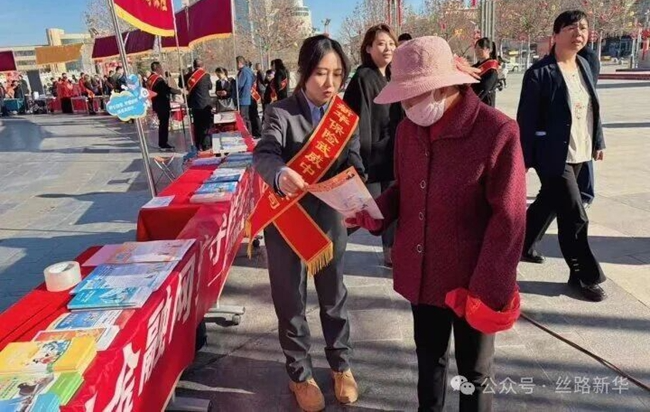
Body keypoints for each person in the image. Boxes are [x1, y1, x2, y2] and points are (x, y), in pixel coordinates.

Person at [346, 36, 526, 412]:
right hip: (423, 274)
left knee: (475, 372)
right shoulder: (409, 131)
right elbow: (404, 189)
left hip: (472, 282)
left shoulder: (496, 131)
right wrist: (374, 212)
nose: (406, 106)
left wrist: (487, 289)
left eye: (412, 97)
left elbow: (508, 219)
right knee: (429, 360)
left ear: (442, 86)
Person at [252, 34, 365, 412]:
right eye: (320, 73)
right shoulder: (280, 112)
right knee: (291, 300)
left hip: (330, 219)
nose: (329, 83)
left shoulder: (344, 118)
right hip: (288, 221)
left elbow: (354, 161)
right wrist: (280, 173)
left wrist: (357, 189)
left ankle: (341, 366)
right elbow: (265, 152)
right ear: (304, 71)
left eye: (337, 74)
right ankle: (299, 374)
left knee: (334, 298)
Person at [517, 10, 607, 302]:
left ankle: (522, 244)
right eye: (570, 28)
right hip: (553, 156)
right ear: (555, 35)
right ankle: (584, 275)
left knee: (548, 202)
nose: (578, 33)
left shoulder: (585, 64)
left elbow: (593, 106)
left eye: (583, 28)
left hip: (581, 150)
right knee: (575, 215)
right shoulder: (539, 73)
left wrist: (598, 140)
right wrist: (523, 160)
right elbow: (526, 121)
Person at [343, 24, 403, 267]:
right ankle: (327, 243)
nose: (387, 48)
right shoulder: (363, 78)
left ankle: (391, 251)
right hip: (371, 159)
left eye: (391, 43)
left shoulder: (392, 76)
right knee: (363, 212)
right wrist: (359, 161)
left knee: (392, 209)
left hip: (392, 155)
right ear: (368, 48)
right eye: (380, 43)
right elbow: (354, 123)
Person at [576, 44, 600, 208]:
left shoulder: (587, 56)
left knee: (584, 153)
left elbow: (590, 87)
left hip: (583, 111)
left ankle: (586, 194)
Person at [149, 61, 181, 150]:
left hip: (157, 104)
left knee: (162, 124)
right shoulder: (158, 79)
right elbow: (166, 89)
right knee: (164, 124)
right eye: (161, 68)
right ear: (157, 68)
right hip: (162, 105)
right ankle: (163, 143)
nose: (162, 69)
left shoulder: (150, 78)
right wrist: (179, 91)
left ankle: (162, 142)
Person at [186, 58, 213, 150]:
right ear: (203, 65)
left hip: (195, 104)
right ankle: (206, 145)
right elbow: (210, 86)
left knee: (197, 125)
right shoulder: (206, 75)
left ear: (194, 66)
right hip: (205, 104)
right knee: (206, 125)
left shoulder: (189, 76)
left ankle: (197, 144)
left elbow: (182, 84)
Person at [472, 37, 499, 107]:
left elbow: (484, 89)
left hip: (485, 104)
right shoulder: (474, 67)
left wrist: (472, 102)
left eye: (480, 49)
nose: (477, 51)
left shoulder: (491, 69)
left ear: (488, 50)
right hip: (474, 102)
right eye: (476, 48)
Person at [236, 55, 255, 134]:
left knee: (243, 117)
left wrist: (233, 82)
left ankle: (245, 133)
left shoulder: (243, 71)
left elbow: (239, 84)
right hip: (247, 96)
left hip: (243, 97)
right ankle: (249, 132)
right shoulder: (249, 70)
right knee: (246, 116)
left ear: (239, 63)